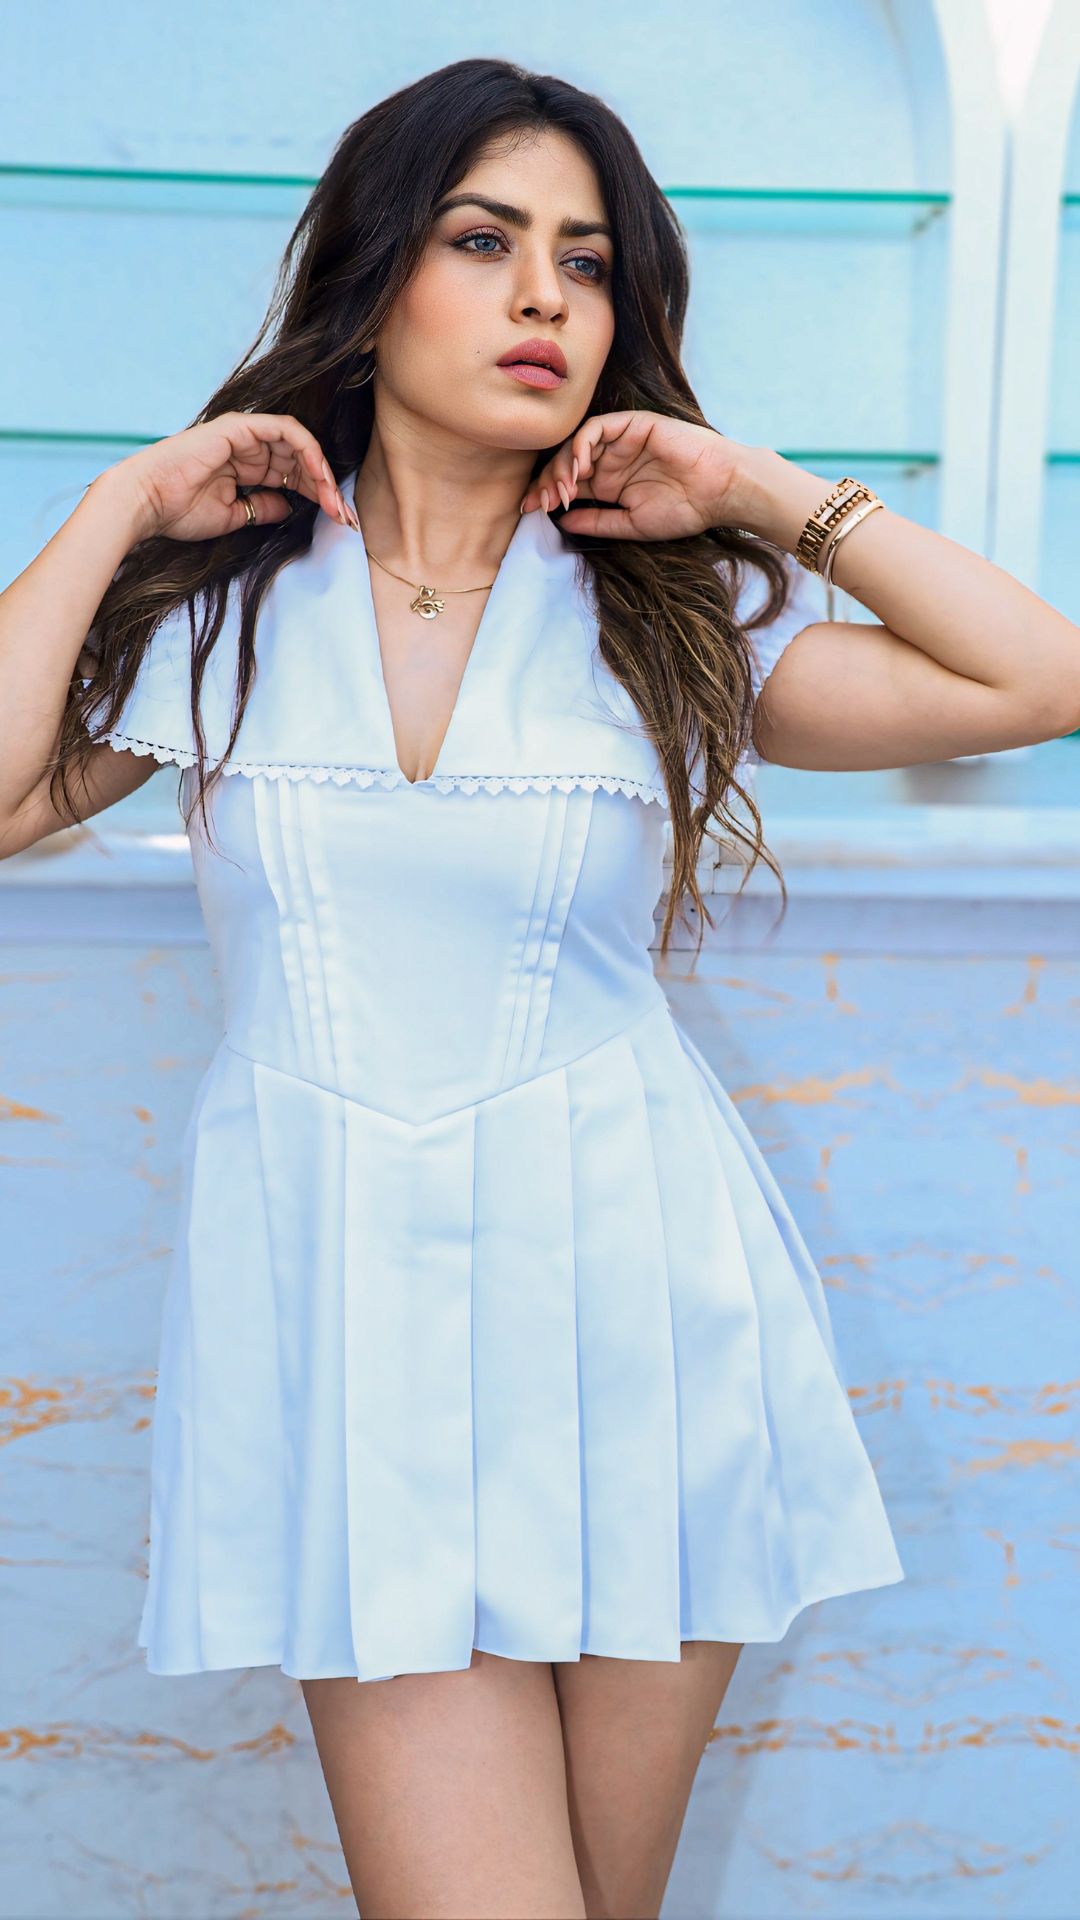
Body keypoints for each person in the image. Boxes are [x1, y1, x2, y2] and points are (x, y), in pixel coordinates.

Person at [3, 56, 1078, 1920]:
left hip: (643, 1326)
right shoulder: (228, 611)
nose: (541, 300)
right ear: (371, 270)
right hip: (351, 1346)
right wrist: (116, 506)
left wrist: (748, 486)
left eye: (588, 264)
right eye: (484, 240)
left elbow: (1033, 679)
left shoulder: (666, 614)